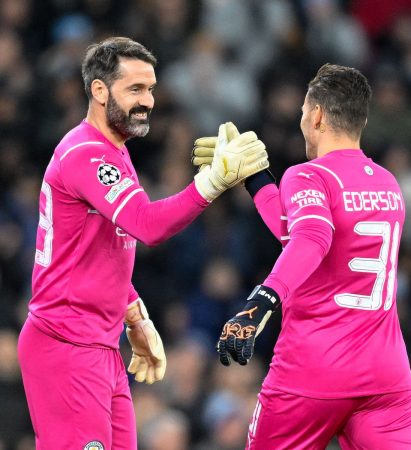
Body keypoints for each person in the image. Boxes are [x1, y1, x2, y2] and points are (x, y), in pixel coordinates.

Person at [17, 36, 269, 450]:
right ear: (99, 90)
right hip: (66, 347)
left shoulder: (113, 152)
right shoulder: (87, 155)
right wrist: (212, 183)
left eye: (150, 89)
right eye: (135, 89)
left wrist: (133, 316)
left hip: (99, 343)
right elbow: (145, 225)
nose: (148, 101)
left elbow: (98, 247)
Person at [194, 63, 411, 449]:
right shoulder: (388, 183)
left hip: (313, 371)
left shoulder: (309, 175)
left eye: (303, 111)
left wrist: (260, 302)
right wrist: (255, 178)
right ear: (361, 119)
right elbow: (295, 233)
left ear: (315, 115)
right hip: (387, 378)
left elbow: (311, 235)